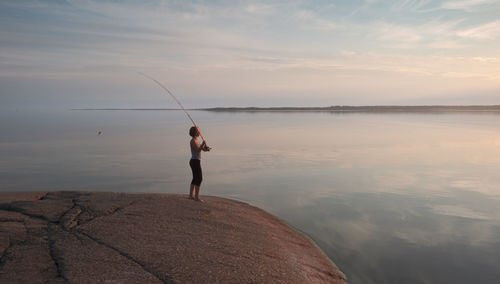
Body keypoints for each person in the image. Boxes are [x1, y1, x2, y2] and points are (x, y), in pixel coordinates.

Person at [188, 126, 210, 202]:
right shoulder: (193, 141)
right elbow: (197, 150)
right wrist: (202, 144)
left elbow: (201, 149)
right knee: (199, 178)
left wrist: (206, 149)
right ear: (195, 132)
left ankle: (191, 195)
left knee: (195, 178)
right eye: (198, 131)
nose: (199, 132)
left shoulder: (196, 140)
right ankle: (196, 197)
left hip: (196, 161)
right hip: (194, 161)